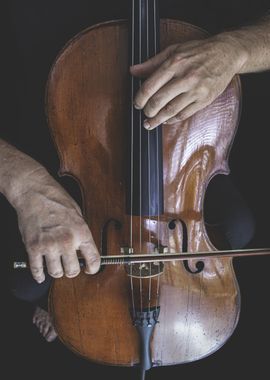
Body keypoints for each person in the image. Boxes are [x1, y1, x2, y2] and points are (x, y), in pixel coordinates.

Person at [2, 0, 269, 347]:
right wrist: (24, 184)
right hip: (68, 120)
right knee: (25, 280)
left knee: (236, 227)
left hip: (181, 142)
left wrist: (237, 49)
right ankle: (51, 303)